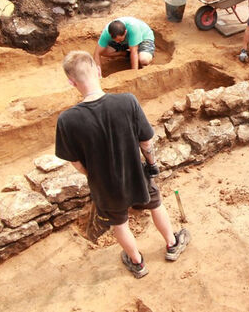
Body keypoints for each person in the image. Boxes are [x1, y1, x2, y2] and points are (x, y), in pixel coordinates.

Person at [55, 51, 190, 279]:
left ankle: (137, 263)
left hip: (104, 186)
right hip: (136, 173)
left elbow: (75, 162)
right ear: (98, 70)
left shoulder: (67, 121)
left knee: (120, 223)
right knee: (156, 204)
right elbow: (146, 141)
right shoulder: (127, 101)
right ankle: (171, 244)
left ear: (71, 82)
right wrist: (152, 164)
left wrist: (94, 175)